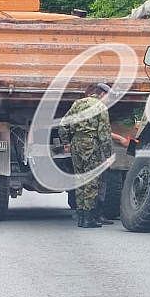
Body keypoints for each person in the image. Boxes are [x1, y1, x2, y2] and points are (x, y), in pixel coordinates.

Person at [59, 82, 114, 228]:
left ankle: (81, 217)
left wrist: (66, 142)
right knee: (92, 180)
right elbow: (104, 133)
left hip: (76, 143)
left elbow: (63, 124)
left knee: (80, 179)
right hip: (91, 145)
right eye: (108, 97)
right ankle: (88, 218)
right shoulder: (101, 107)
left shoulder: (78, 103)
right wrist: (108, 155)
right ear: (102, 93)